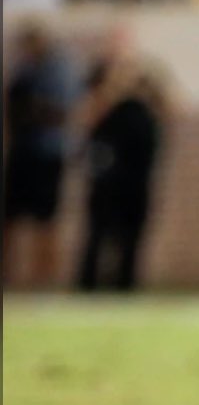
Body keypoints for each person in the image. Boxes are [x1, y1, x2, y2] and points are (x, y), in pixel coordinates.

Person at [75, 26, 173, 292]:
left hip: (137, 173)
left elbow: (170, 108)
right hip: (108, 174)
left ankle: (124, 285)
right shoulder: (100, 84)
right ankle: (89, 285)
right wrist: (111, 90)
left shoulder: (146, 85)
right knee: (99, 230)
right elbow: (87, 121)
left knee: (132, 233)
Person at [2, 20, 81, 289]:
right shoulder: (23, 70)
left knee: (46, 221)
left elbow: (62, 112)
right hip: (22, 153)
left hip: (48, 154)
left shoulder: (58, 71)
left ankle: (44, 279)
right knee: (10, 217)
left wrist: (34, 110)